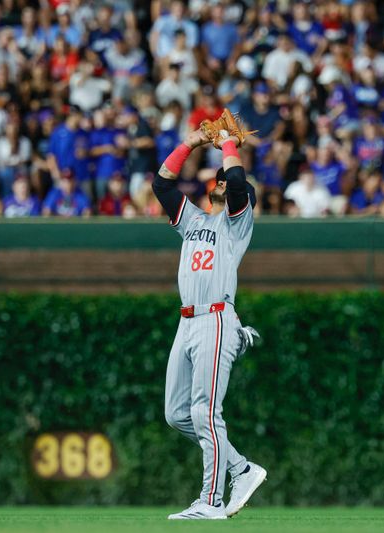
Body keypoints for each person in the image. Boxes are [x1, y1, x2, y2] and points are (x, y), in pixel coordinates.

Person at [152, 126, 265, 520]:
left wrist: (227, 143)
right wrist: (193, 143)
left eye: (223, 183)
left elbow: (235, 178)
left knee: (205, 413)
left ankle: (212, 501)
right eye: (214, 181)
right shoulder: (193, 220)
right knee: (177, 414)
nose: (219, 184)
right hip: (186, 322)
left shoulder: (238, 223)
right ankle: (242, 468)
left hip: (216, 318)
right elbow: (161, 183)